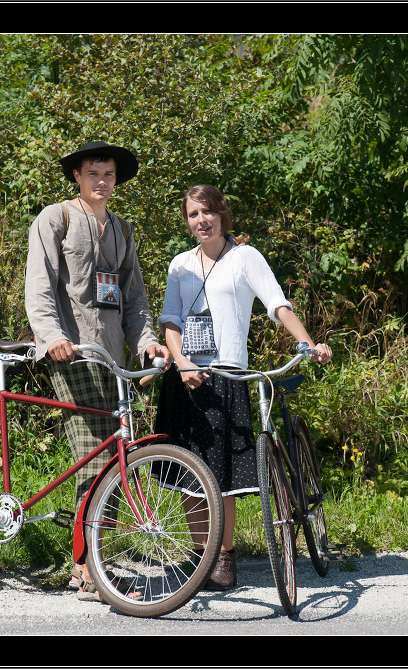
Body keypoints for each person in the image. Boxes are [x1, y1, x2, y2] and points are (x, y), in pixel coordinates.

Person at [153, 184, 333, 591]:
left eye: (208, 212)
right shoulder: (180, 264)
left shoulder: (245, 257)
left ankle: (223, 556)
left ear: (222, 215)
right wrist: (180, 363)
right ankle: (198, 557)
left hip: (226, 375)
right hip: (183, 376)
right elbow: (170, 320)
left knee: (222, 476)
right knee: (185, 474)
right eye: (193, 214)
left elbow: (277, 304)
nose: (201, 220)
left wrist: (306, 344)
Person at [24, 141, 169, 601]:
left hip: (113, 360)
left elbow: (135, 301)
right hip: (71, 353)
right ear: (77, 178)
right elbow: (40, 285)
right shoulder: (56, 218)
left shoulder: (122, 231)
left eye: (107, 174)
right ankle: (86, 568)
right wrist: (51, 338)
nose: (101, 181)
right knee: (94, 454)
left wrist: (146, 343)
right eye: (92, 173)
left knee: (114, 457)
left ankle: (95, 557)